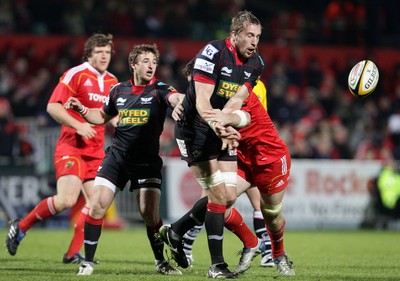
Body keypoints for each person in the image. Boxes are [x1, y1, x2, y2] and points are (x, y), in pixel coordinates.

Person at [158, 10, 264, 279]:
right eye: (249, 36)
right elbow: (203, 103)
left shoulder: (256, 64)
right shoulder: (213, 53)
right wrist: (219, 125)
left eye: (258, 37)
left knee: (228, 197)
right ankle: (217, 265)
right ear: (235, 34)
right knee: (218, 196)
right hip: (194, 130)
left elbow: (236, 100)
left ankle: (176, 230)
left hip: (219, 129)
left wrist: (228, 123)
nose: (254, 42)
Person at [64, 43, 184, 276]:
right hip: (117, 158)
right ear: (133, 64)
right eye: (146, 61)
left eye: (154, 62)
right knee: (97, 204)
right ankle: (88, 262)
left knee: (149, 214)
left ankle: (160, 261)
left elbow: (175, 98)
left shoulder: (159, 90)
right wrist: (81, 109)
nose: (151, 66)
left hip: (147, 162)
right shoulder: (118, 91)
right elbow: (101, 116)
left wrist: (180, 104)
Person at [5, 33, 118, 264]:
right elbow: (52, 107)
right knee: (66, 200)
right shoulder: (76, 74)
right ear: (89, 54)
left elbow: (112, 117)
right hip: (72, 147)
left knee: (97, 205)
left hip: (96, 152)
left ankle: (72, 253)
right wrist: (79, 125)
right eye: (99, 52)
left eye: (107, 52)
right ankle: (22, 226)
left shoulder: (113, 82)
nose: (104, 56)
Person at [181, 73, 274, 268]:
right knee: (215, 197)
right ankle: (185, 242)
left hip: (245, 145)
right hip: (227, 143)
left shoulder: (258, 87)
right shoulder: (225, 85)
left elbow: (258, 117)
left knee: (252, 199)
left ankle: (262, 248)